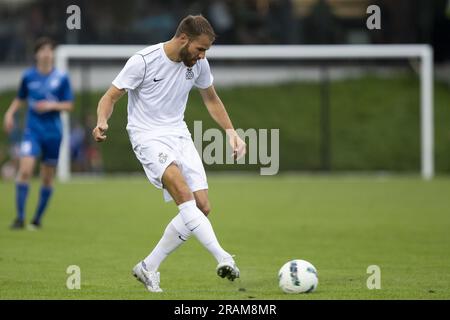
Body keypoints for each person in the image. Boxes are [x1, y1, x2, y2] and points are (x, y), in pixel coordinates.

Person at [92, 15, 246, 293]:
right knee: (183, 193)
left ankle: (148, 266)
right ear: (183, 39)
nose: (202, 56)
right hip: (146, 135)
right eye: (200, 49)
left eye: (206, 51)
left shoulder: (198, 64)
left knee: (202, 207)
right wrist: (102, 120)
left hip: (179, 134)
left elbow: (211, 98)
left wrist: (231, 132)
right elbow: (110, 96)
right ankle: (223, 257)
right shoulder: (144, 61)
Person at [3, 37, 74, 230]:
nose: (46, 53)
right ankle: (19, 218)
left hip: (53, 134)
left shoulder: (61, 78)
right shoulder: (28, 76)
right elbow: (20, 98)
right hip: (32, 131)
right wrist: (9, 113)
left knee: (47, 177)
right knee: (25, 170)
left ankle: (37, 219)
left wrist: (51, 105)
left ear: (52, 54)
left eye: (49, 50)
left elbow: (69, 105)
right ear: (36, 54)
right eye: (42, 49)